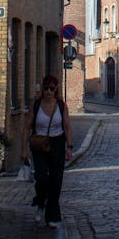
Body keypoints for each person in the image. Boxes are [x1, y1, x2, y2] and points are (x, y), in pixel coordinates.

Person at [21, 74, 73, 228]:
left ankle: (53, 217)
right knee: (42, 177)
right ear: (42, 89)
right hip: (39, 144)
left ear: (56, 89)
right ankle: (41, 203)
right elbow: (26, 128)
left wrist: (69, 147)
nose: (48, 92)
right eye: (46, 88)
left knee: (56, 181)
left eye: (51, 88)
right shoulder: (36, 105)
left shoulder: (61, 106)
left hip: (57, 143)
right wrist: (23, 149)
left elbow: (68, 126)